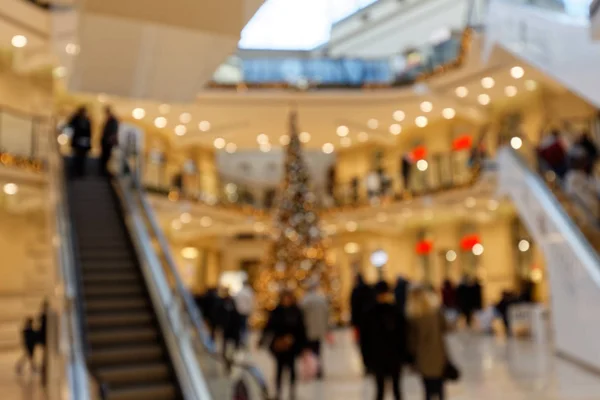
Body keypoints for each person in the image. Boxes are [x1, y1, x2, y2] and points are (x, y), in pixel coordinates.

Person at [360, 281, 407, 400]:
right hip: (390, 356)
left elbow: (364, 340)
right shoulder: (394, 311)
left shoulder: (371, 312)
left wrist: (366, 359)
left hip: (380, 356)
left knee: (383, 389)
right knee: (393, 389)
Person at [260, 291, 307, 400]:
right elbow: (269, 326)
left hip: (292, 346)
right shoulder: (277, 311)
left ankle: (292, 392)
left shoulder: (296, 311)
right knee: (279, 370)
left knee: (292, 370)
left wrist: (299, 343)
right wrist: (263, 339)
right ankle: (278, 392)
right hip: (279, 346)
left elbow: (301, 329)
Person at [407, 286, 449, 400]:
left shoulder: (413, 318)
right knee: (440, 388)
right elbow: (445, 328)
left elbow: (412, 341)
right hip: (438, 354)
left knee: (427, 389)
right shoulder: (435, 314)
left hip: (423, 357)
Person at [300, 282, 329, 379]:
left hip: (308, 330)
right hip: (319, 329)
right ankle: (318, 370)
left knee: (310, 351)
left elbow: (301, 316)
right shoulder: (321, 299)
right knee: (318, 351)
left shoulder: (305, 300)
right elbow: (326, 314)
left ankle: (313, 369)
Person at [217, 288, 242, 362]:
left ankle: (230, 358)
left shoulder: (233, 306)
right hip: (227, 327)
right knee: (226, 343)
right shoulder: (222, 303)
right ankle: (225, 355)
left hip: (232, 328)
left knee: (231, 346)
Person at [69, 106, 92, 177]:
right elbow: (70, 127)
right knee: (77, 157)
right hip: (77, 142)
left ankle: (81, 172)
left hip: (84, 142)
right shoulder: (76, 119)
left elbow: (89, 132)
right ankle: (75, 172)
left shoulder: (87, 120)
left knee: (82, 158)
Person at [99, 106, 119, 176]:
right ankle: (103, 171)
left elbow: (112, 132)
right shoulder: (109, 120)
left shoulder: (113, 120)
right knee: (105, 157)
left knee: (107, 157)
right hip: (106, 142)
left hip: (108, 143)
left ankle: (105, 172)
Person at [234, 280, 255, 346]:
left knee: (241, 326)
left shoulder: (240, 292)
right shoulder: (249, 292)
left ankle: (241, 340)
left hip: (240, 312)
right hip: (245, 312)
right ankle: (243, 340)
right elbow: (251, 303)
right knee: (244, 327)